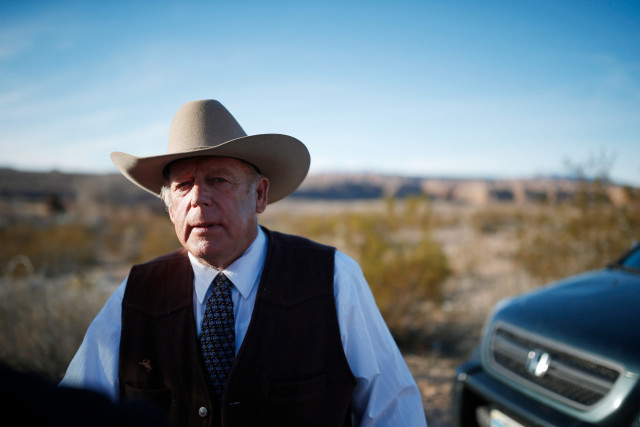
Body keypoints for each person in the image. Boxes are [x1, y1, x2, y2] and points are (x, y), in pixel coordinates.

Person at [61, 99, 427, 426]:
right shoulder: (138, 293)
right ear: (169, 204)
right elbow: (75, 408)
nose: (199, 199)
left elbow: (393, 409)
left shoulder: (331, 279)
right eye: (183, 185)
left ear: (260, 195)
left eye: (219, 180)